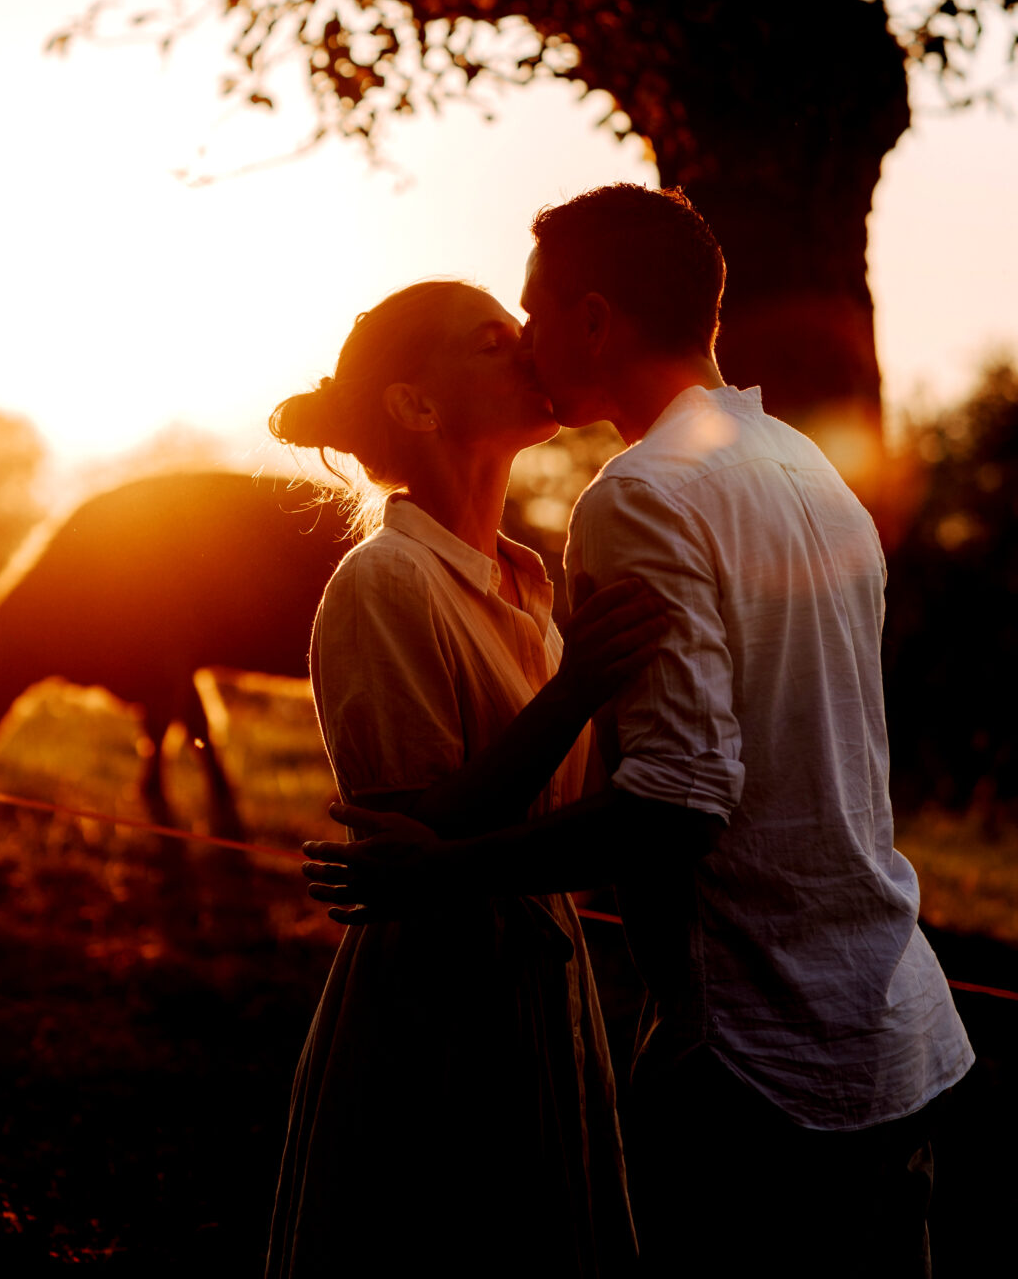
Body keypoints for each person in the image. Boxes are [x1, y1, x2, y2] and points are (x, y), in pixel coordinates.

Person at [303, 185, 974, 1279]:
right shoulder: (810, 470)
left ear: (599, 321)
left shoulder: (639, 495)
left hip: (764, 1051)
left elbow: (677, 800)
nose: (523, 341)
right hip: (898, 1026)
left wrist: (451, 868)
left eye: (530, 312)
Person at [264, 278, 667, 1279]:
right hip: (435, 1009)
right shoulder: (382, 585)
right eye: (492, 338)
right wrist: (574, 693)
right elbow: (414, 850)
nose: (526, 346)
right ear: (415, 402)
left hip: (544, 985)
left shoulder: (532, 585)